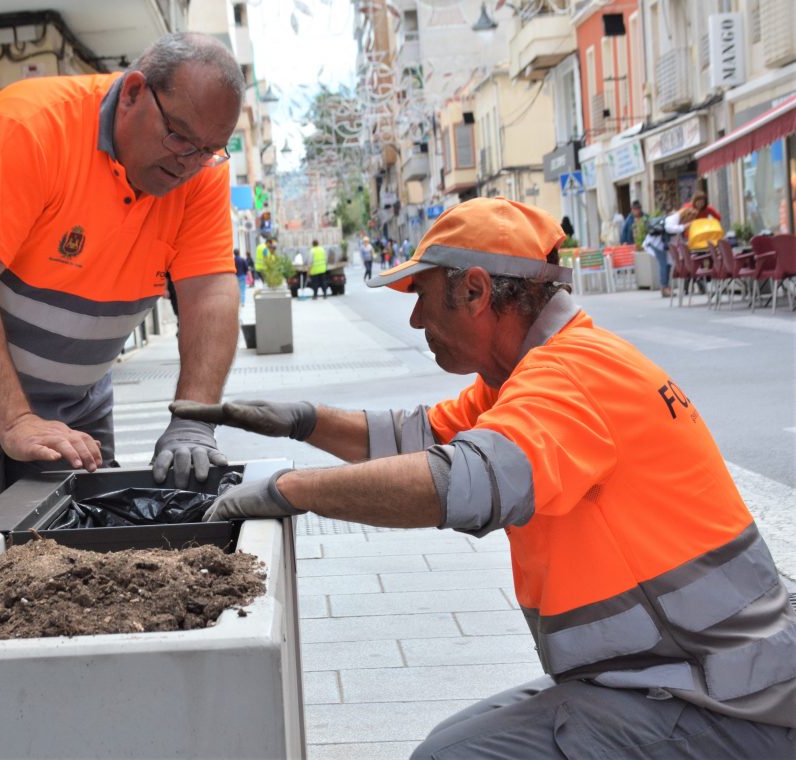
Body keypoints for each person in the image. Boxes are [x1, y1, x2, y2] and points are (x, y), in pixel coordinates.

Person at [172, 197, 796, 759]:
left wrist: (288, 491)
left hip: (715, 700)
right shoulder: (530, 374)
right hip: (673, 677)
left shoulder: (570, 379)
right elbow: (419, 438)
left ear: (474, 291)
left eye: (421, 295)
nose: (416, 321)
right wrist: (300, 421)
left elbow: (456, 481)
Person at [0, 32, 245, 575]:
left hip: (70, 395)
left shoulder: (202, 172)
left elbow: (210, 291)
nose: (189, 163)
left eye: (209, 149)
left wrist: (193, 419)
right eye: (178, 138)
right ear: (135, 92)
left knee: (84, 560)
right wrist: (16, 420)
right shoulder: (28, 126)